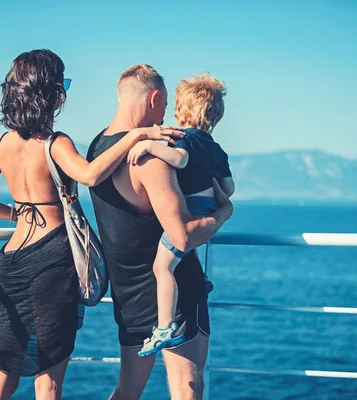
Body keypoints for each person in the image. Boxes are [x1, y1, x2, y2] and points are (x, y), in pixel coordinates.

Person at [0, 51, 183, 400]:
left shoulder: (3, 144)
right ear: (50, 93)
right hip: (52, 259)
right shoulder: (56, 143)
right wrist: (137, 135)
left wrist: (15, 214)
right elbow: (92, 174)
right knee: (48, 378)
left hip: (11, 260)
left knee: (4, 367)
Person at [87, 64, 234, 400]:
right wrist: (224, 214)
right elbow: (181, 237)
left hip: (128, 295)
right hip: (175, 295)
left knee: (126, 391)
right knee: (188, 392)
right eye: (165, 105)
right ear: (154, 98)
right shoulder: (152, 159)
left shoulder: (99, 149)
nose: (166, 116)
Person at [126, 73, 235, 356]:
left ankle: (165, 328)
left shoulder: (182, 138)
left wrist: (150, 145)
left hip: (191, 211)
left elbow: (181, 159)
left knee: (162, 267)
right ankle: (199, 282)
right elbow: (229, 187)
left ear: (181, 111)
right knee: (184, 254)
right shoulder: (216, 148)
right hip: (209, 207)